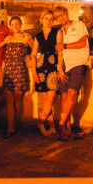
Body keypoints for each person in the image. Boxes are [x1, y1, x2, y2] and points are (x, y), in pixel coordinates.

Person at [55, 6, 89, 141]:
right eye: (58, 17)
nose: (60, 18)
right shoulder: (60, 31)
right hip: (64, 64)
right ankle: (66, 130)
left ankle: (61, 122)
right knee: (64, 97)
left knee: (72, 93)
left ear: (67, 14)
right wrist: (60, 69)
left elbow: (82, 43)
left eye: (62, 15)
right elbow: (59, 51)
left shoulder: (79, 25)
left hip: (79, 62)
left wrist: (64, 46)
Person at [30, 9, 64, 137]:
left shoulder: (57, 32)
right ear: (41, 20)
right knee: (46, 100)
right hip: (41, 67)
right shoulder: (37, 36)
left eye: (51, 19)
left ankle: (40, 123)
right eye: (46, 19)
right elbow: (33, 55)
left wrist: (60, 68)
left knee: (50, 99)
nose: (49, 21)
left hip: (53, 66)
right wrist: (34, 71)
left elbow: (60, 51)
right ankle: (52, 128)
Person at [0, 16, 33, 139]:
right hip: (8, 69)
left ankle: (14, 125)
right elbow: (3, 52)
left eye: (17, 24)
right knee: (9, 98)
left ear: (21, 24)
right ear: (10, 26)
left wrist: (29, 55)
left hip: (19, 68)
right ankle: (10, 128)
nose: (15, 26)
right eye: (12, 24)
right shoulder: (7, 38)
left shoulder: (26, 37)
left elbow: (35, 48)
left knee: (17, 98)